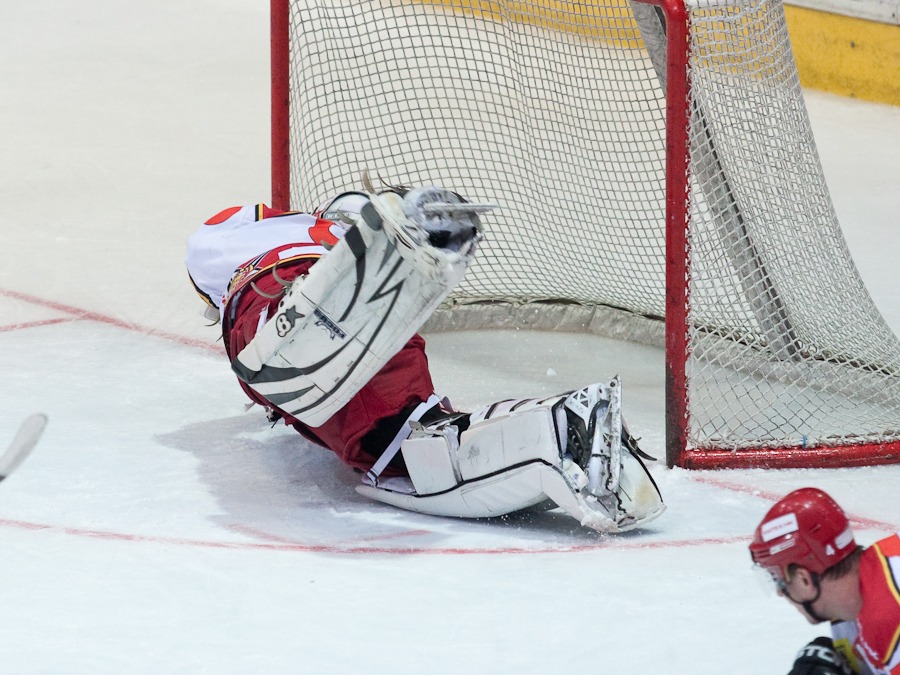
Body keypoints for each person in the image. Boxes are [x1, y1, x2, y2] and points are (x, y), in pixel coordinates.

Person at [185, 181, 665, 533]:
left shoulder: (243, 241)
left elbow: (209, 251)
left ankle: (303, 312)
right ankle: (562, 427)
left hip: (277, 293)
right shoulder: (322, 230)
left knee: (400, 447)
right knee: (414, 429)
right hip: (385, 327)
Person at [749, 487, 900, 675]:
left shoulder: (888, 621)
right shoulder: (852, 605)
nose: (780, 592)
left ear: (804, 579)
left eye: (778, 579)